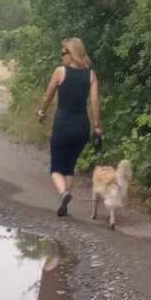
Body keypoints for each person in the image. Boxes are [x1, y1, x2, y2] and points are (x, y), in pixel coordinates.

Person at [37, 37, 102, 217]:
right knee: (70, 165)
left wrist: (41, 111)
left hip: (63, 125)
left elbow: (48, 95)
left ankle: (64, 193)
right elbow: (95, 102)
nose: (61, 56)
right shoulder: (90, 75)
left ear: (72, 54)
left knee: (57, 166)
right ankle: (64, 204)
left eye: (63, 53)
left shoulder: (60, 72)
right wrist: (97, 127)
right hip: (82, 127)